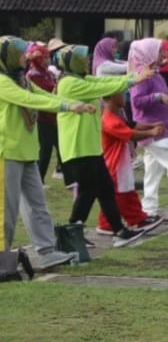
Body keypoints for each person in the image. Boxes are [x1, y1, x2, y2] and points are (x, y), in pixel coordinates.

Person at [0, 35, 89, 268]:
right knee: (6, 212)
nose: (25, 57)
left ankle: (47, 251)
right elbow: (28, 99)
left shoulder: (20, 78)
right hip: (6, 153)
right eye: (19, 53)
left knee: (37, 204)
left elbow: (41, 95)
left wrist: (69, 103)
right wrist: (68, 106)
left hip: (27, 152)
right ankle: (2, 257)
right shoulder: (3, 81)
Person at [55, 44, 154, 248]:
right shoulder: (68, 84)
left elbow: (106, 81)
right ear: (71, 63)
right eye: (81, 59)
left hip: (90, 146)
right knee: (89, 191)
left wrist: (135, 74)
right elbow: (102, 88)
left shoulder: (82, 78)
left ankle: (118, 230)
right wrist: (135, 79)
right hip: (77, 147)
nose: (86, 62)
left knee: (105, 188)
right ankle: (74, 231)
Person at [128, 38, 168, 217]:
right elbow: (136, 101)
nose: (162, 54)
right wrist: (157, 97)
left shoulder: (153, 72)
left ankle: (149, 208)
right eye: (157, 51)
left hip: (160, 127)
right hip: (152, 130)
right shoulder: (142, 74)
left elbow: (164, 99)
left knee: (153, 171)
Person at [95, 91, 165, 235]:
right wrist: (151, 132)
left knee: (126, 192)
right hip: (115, 163)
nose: (125, 97)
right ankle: (109, 224)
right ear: (114, 97)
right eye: (121, 94)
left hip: (120, 161)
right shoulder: (110, 119)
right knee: (119, 193)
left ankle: (137, 219)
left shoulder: (114, 116)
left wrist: (150, 126)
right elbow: (129, 134)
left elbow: (130, 127)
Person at [25, 42, 64, 184]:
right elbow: (45, 93)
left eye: (48, 57)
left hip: (53, 116)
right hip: (43, 118)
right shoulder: (32, 75)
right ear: (38, 59)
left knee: (61, 148)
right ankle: (39, 180)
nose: (48, 60)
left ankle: (66, 176)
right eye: (45, 57)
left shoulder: (48, 73)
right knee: (45, 151)